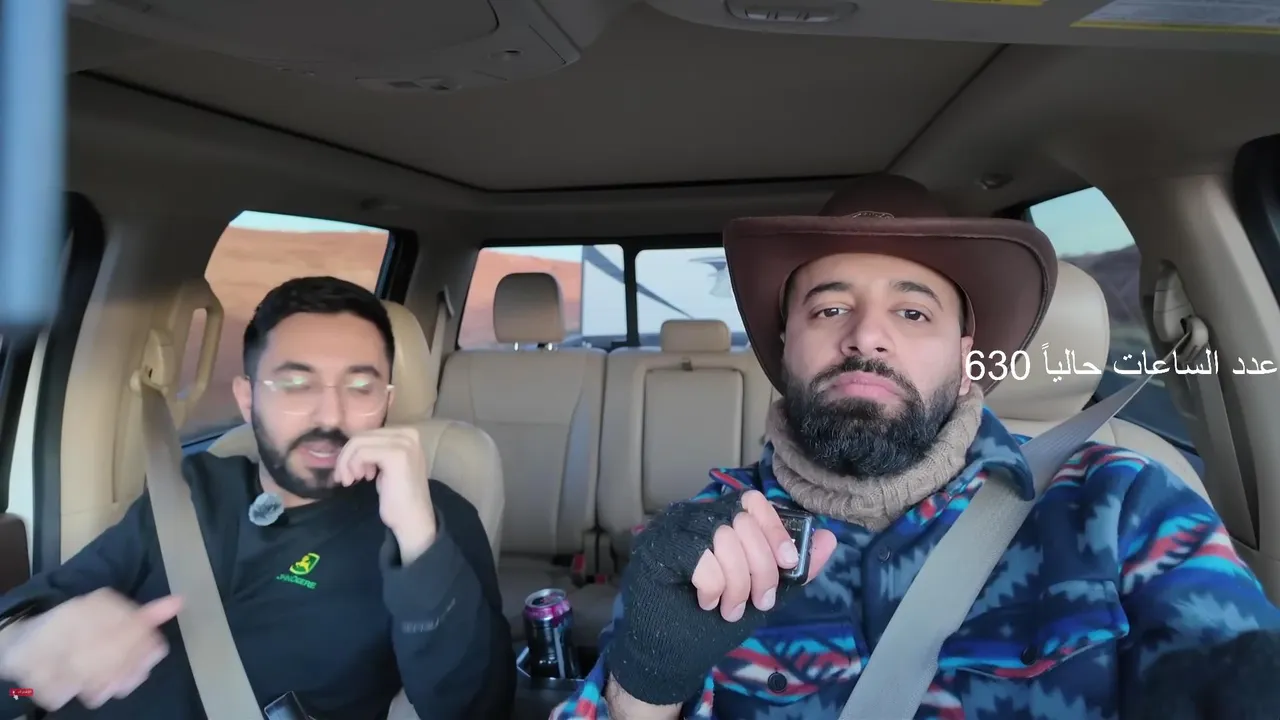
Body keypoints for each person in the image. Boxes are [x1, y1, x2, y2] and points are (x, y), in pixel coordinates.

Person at [551, 174, 1280, 720]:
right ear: (783, 345)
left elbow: (1230, 665)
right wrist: (643, 690)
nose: (867, 335)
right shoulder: (705, 544)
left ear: (966, 355)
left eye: (912, 311)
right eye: (830, 308)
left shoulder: (1124, 508)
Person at [0, 276, 514, 719]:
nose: (330, 416)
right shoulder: (191, 491)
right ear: (248, 399)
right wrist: (23, 647)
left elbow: (475, 708)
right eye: (295, 384)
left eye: (360, 386)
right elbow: (17, 684)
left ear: (387, 400)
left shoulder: (430, 517)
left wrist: (419, 540)